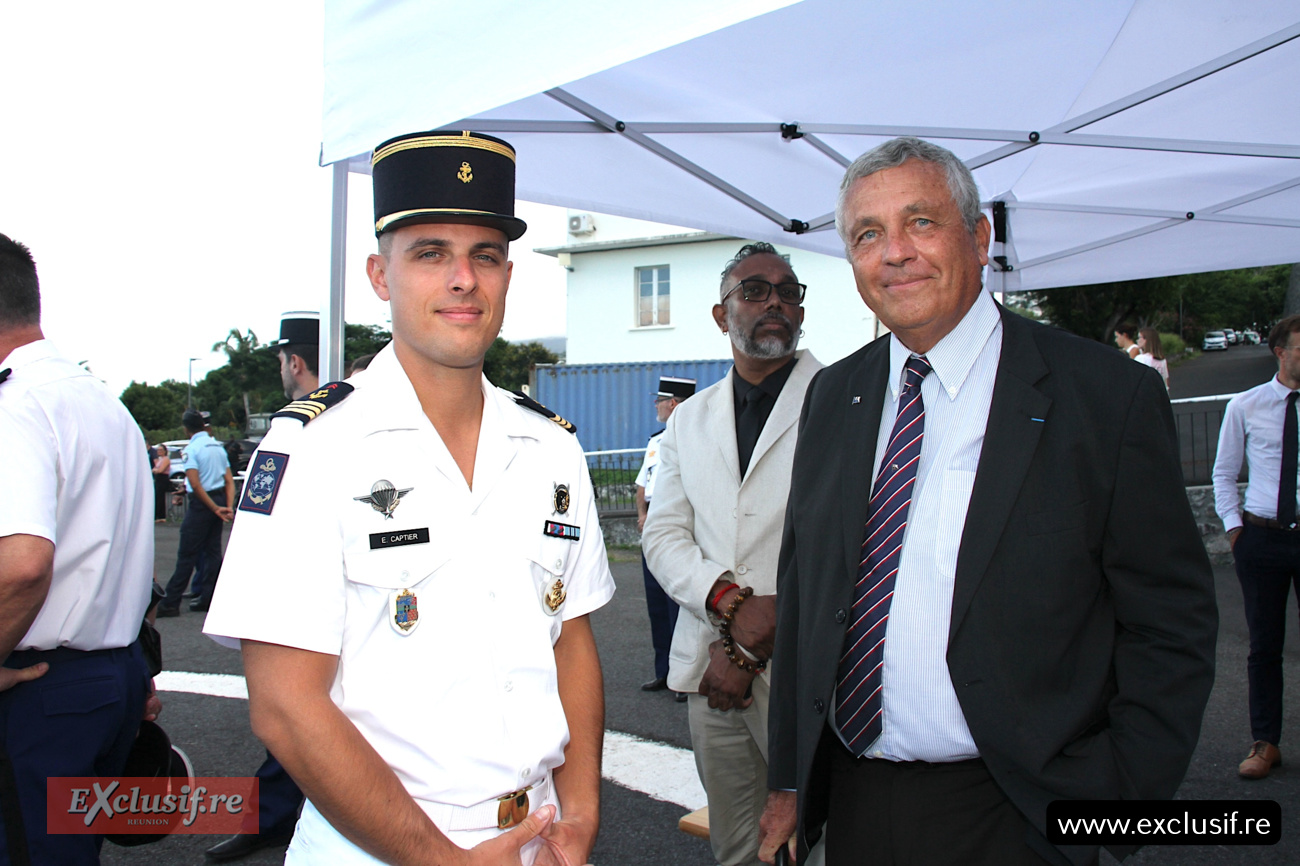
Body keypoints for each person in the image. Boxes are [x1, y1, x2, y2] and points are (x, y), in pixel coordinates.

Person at [760, 137, 1217, 866]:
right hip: (857, 803)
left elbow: (1170, 620)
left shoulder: (1103, 395)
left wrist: (1115, 802)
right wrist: (789, 778)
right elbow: (809, 597)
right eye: (867, 235)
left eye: (921, 223)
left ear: (979, 237)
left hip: (1025, 811)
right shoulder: (832, 394)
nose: (895, 252)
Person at [203, 130, 613, 866]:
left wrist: (579, 815)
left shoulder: (549, 445)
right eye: (430, 252)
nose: (463, 278)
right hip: (380, 849)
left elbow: (572, 641)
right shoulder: (315, 447)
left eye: (484, 255)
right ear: (379, 274)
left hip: (539, 842)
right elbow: (286, 706)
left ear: (509, 275)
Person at [642, 242, 822, 866]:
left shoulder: (843, 400)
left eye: (787, 291)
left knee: (817, 843)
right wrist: (728, 602)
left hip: (808, 674)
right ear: (722, 316)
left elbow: (853, 543)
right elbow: (662, 536)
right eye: (754, 290)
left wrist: (749, 645)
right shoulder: (688, 421)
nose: (774, 301)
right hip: (710, 675)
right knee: (738, 849)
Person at [0, 232, 154, 864]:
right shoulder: (100, 401)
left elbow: (22, 566)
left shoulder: (16, 406)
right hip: (110, 672)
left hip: (38, 682)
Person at [204, 311, 322, 862]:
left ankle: (274, 817)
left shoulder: (296, 430)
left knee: (292, 715)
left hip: (304, 609)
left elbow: (254, 537)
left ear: (294, 362)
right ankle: (275, 814)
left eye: (282, 360)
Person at [1212, 314, 1300, 780]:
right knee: (1264, 647)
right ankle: (1265, 742)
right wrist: (1235, 531)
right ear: (1280, 352)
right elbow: (1223, 473)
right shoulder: (1245, 406)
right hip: (1262, 538)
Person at [635, 376, 695, 700]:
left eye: (659, 400)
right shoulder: (655, 441)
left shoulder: (696, 437)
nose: (656, 406)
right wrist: (643, 516)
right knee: (657, 604)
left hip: (680, 530)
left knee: (679, 606)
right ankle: (664, 671)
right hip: (653, 529)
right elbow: (642, 484)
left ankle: (683, 676)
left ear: (672, 402)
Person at [156, 409, 234, 616]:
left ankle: (171, 601)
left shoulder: (192, 448)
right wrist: (226, 505)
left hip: (202, 503)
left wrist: (212, 507)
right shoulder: (217, 446)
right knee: (212, 551)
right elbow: (228, 479)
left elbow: (194, 482)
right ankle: (209, 597)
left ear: (186, 428)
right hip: (218, 498)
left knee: (187, 553)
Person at [152, 443, 172, 523]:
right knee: (157, 497)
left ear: (165, 451)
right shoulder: (160, 459)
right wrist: (155, 470)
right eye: (158, 450)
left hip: (163, 478)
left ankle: (161, 516)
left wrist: (155, 470)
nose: (159, 451)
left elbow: (160, 470)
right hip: (158, 479)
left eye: (161, 450)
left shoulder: (166, 459)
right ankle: (157, 515)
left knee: (160, 497)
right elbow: (154, 468)